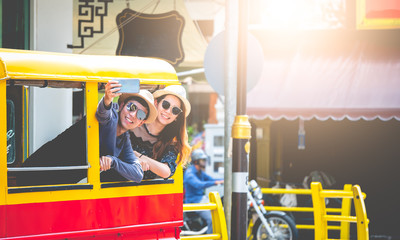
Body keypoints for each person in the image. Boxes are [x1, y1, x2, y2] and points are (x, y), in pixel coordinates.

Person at [96, 80, 157, 182]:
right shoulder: (112, 118)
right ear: (121, 105)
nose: (133, 115)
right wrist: (107, 99)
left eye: (140, 115)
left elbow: (137, 175)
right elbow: (103, 114)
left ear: (141, 123)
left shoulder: (124, 138)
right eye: (131, 107)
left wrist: (114, 162)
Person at [129, 85, 191, 179]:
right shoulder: (132, 121)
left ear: (177, 116)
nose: (168, 111)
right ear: (156, 103)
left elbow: (166, 171)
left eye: (175, 110)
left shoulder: (171, 142)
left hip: (145, 192)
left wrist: (138, 156)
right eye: (166, 105)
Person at [183, 149, 224, 234]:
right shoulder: (190, 173)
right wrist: (216, 182)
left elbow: (212, 179)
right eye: (203, 160)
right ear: (196, 161)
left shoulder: (200, 172)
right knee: (213, 218)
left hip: (202, 199)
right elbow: (199, 185)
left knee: (220, 210)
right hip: (194, 201)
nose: (205, 162)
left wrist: (225, 180)